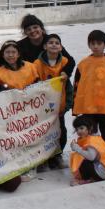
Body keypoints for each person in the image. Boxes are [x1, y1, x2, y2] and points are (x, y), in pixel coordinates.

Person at [34, 33, 73, 169]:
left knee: (61, 132)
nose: (54, 45)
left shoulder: (65, 63)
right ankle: (43, 159)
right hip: (43, 109)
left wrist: (66, 106)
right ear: (44, 46)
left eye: (57, 43)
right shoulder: (37, 64)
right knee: (43, 134)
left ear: (61, 47)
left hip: (59, 109)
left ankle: (57, 156)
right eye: (50, 42)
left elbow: (68, 88)